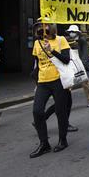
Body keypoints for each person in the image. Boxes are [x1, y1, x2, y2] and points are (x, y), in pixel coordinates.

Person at [29, 22, 72, 158]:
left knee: (61, 111)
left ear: (51, 27)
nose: (42, 29)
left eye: (45, 26)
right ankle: (44, 143)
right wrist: (36, 81)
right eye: (39, 28)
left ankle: (62, 140)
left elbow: (66, 60)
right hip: (43, 82)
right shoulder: (37, 43)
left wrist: (51, 50)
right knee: (37, 111)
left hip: (59, 80)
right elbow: (38, 63)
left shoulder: (61, 40)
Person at [66, 25, 89, 107]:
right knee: (68, 84)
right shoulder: (68, 41)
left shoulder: (82, 41)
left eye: (73, 32)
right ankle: (67, 103)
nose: (71, 33)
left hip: (80, 64)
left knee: (85, 83)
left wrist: (83, 63)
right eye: (70, 32)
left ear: (77, 32)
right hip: (71, 64)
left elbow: (85, 53)